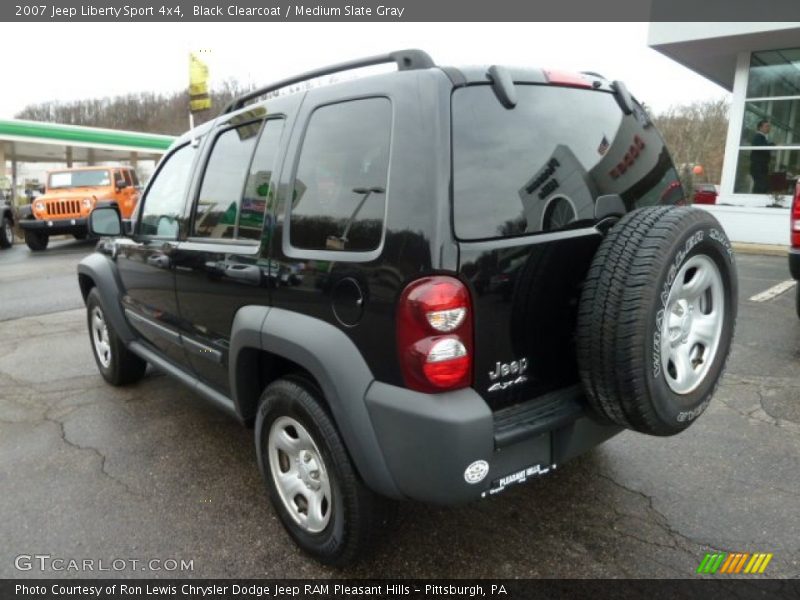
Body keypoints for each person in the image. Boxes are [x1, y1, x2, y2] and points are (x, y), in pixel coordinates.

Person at [750, 119, 774, 194]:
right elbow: (763, 148)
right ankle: (755, 202)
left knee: (761, 186)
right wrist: (773, 145)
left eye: (769, 126)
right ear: (760, 128)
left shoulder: (762, 138)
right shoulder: (758, 137)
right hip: (758, 166)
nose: (768, 128)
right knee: (761, 186)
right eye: (766, 126)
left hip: (761, 166)